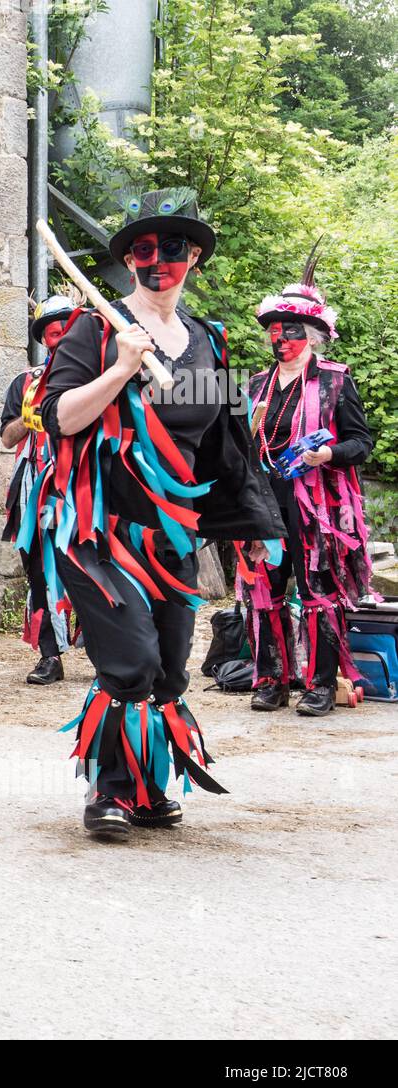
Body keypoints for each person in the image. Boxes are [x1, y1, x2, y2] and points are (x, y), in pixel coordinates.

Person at [38, 188, 285, 837]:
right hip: (99, 530)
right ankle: (108, 793)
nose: (158, 259)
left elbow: (229, 442)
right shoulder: (99, 329)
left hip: (174, 533)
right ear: (129, 260)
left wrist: (252, 527)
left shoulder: (209, 344)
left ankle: (147, 787)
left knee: (171, 670)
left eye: (172, 247)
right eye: (143, 249)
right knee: (130, 663)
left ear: (194, 256)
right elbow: (58, 419)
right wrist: (121, 368)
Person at [240, 246, 375, 716]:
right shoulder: (255, 386)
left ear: (313, 336)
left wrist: (327, 453)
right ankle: (271, 679)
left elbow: (361, 442)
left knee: (318, 589)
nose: (281, 339)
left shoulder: (336, 382)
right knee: (265, 589)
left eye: (291, 332)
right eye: (275, 331)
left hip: (315, 505)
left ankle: (319, 684)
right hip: (263, 502)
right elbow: (243, 445)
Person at [0, 289, 85, 685]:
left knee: (96, 567)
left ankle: (108, 654)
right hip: (36, 491)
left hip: (87, 490)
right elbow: (5, 437)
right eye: (53, 334)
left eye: (66, 330)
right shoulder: (25, 382)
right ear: (44, 339)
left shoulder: (97, 377)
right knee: (40, 572)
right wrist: (29, 420)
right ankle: (50, 656)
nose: (60, 339)